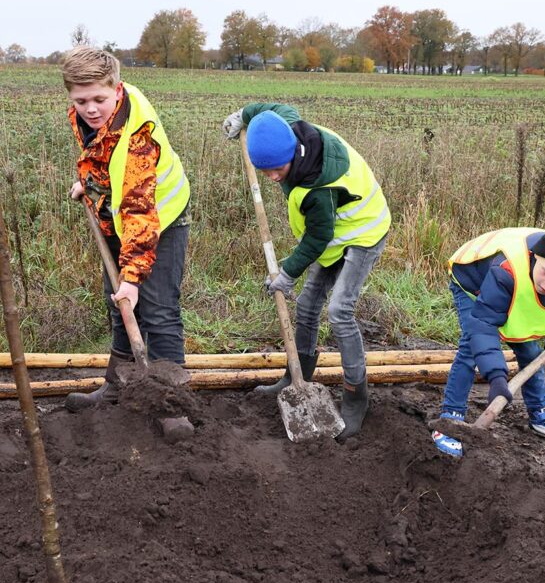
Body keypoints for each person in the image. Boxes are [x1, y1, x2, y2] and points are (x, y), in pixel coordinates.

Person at [222, 104, 390, 439]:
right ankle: (297, 375)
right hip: (336, 229)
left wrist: (287, 273)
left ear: (292, 155)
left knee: (340, 310)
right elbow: (267, 109)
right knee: (309, 303)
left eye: (276, 170)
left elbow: (318, 237)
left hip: (364, 233)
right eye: (265, 171)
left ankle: (356, 398)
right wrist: (244, 114)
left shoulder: (319, 184)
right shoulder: (287, 126)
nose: (271, 177)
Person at [60, 47, 191, 409]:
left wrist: (132, 279)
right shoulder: (88, 114)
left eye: (99, 99)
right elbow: (101, 155)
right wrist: (91, 183)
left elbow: (139, 210)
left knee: (158, 308)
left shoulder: (138, 137)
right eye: (81, 100)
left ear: (117, 90)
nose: (90, 109)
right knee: (118, 303)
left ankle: (173, 404)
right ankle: (117, 388)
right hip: (118, 215)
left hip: (159, 217)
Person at [431, 218, 545, 458]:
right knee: (470, 349)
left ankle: (540, 415)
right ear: (537, 256)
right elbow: (484, 326)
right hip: (472, 280)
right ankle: (450, 419)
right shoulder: (506, 271)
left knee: (530, 351)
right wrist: (496, 377)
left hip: (513, 287)